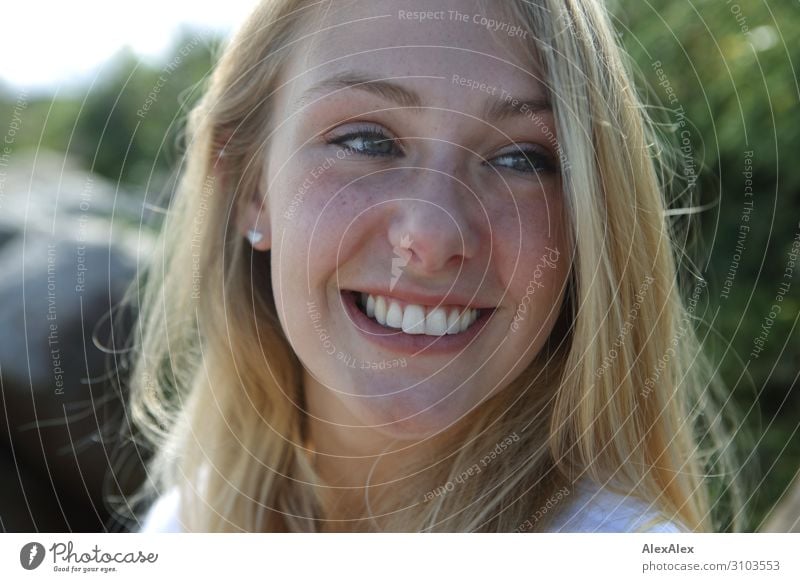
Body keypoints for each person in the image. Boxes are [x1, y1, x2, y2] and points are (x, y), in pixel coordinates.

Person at [126, 0, 741, 533]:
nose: (433, 235)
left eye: (521, 159)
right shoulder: (178, 531)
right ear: (244, 186)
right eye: (366, 141)